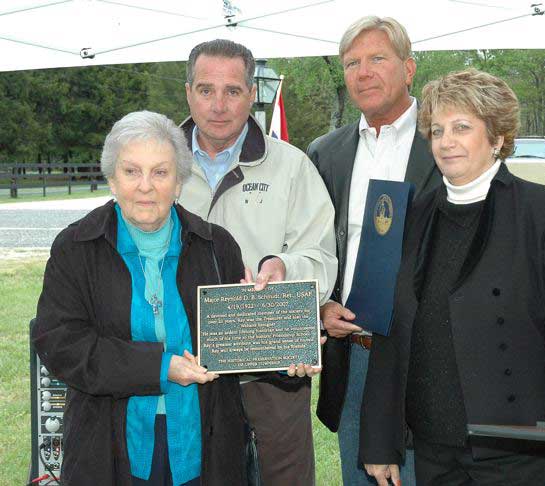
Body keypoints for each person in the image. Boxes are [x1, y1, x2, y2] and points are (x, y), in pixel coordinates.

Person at [360, 69, 545, 486]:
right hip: (436, 448)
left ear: (496, 138)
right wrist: (379, 440)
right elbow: (393, 330)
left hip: (521, 444)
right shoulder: (411, 216)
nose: (446, 141)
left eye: (462, 127)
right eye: (437, 130)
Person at [32, 111, 250, 485]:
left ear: (179, 181)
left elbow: (237, 345)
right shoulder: (76, 248)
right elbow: (62, 344)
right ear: (112, 179)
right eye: (132, 171)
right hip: (109, 448)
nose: (145, 186)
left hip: (205, 447)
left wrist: (285, 356)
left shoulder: (217, 246)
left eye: (160, 172)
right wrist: (159, 367)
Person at [178, 39, 337, 486]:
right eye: (206, 89)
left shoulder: (291, 167)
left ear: (252, 95)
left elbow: (321, 257)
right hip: (181, 370)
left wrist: (285, 267)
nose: (218, 104)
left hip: (270, 372)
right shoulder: (159, 164)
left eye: (232, 91)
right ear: (188, 91)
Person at [307, 16, 441, 486]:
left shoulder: (447, 143)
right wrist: (319, 305)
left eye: (377, 59)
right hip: (357, 356)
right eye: (352, 63)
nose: (363, 72)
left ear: (408, 68)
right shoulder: (325, 153)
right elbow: (311, 246)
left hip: (430, 356)